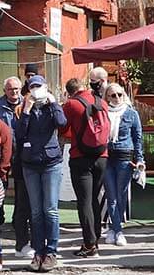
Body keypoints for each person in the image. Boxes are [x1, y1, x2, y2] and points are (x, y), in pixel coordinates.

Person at [13, 75, 69, 272]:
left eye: (39, 86)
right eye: (32, 86)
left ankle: (51, 251)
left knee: (50, 209)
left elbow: (62, 124)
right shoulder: (22, 109)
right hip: (30, 164)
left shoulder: (52, 107)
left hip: (51, 162)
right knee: (36, 211)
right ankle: (38, 251)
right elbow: (19, 134)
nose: (35, 89)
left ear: (45, 88)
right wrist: (27, 110)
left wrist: (53, 103)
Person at [62, 67, 111, 257]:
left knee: (84, 201)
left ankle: (89, 244)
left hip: (80, 156)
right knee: (95, 198)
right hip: (102, 156)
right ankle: (96, 237)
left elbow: (63, 128)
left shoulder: (71, 104)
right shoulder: (101, 102)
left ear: (69, 91)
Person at [0, 77, 33, 258]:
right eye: (10, 90)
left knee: (22, 198)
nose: (14, 92)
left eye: (17, 89)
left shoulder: (27, 104)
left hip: (21, 156)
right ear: (5, 90)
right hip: (3, 154)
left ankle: (21, 235)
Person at [103, 84, 144, 247]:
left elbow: (138, 138)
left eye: (119, 94)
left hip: (125, 156)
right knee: (111, 195)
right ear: (107, 97)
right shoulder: (103, 113)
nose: (117, 98)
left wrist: (140, 160)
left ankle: (116, 229)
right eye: (113, 95)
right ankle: (116, 229)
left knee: (121, 194)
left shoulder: (131, 113)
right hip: (106, 156)